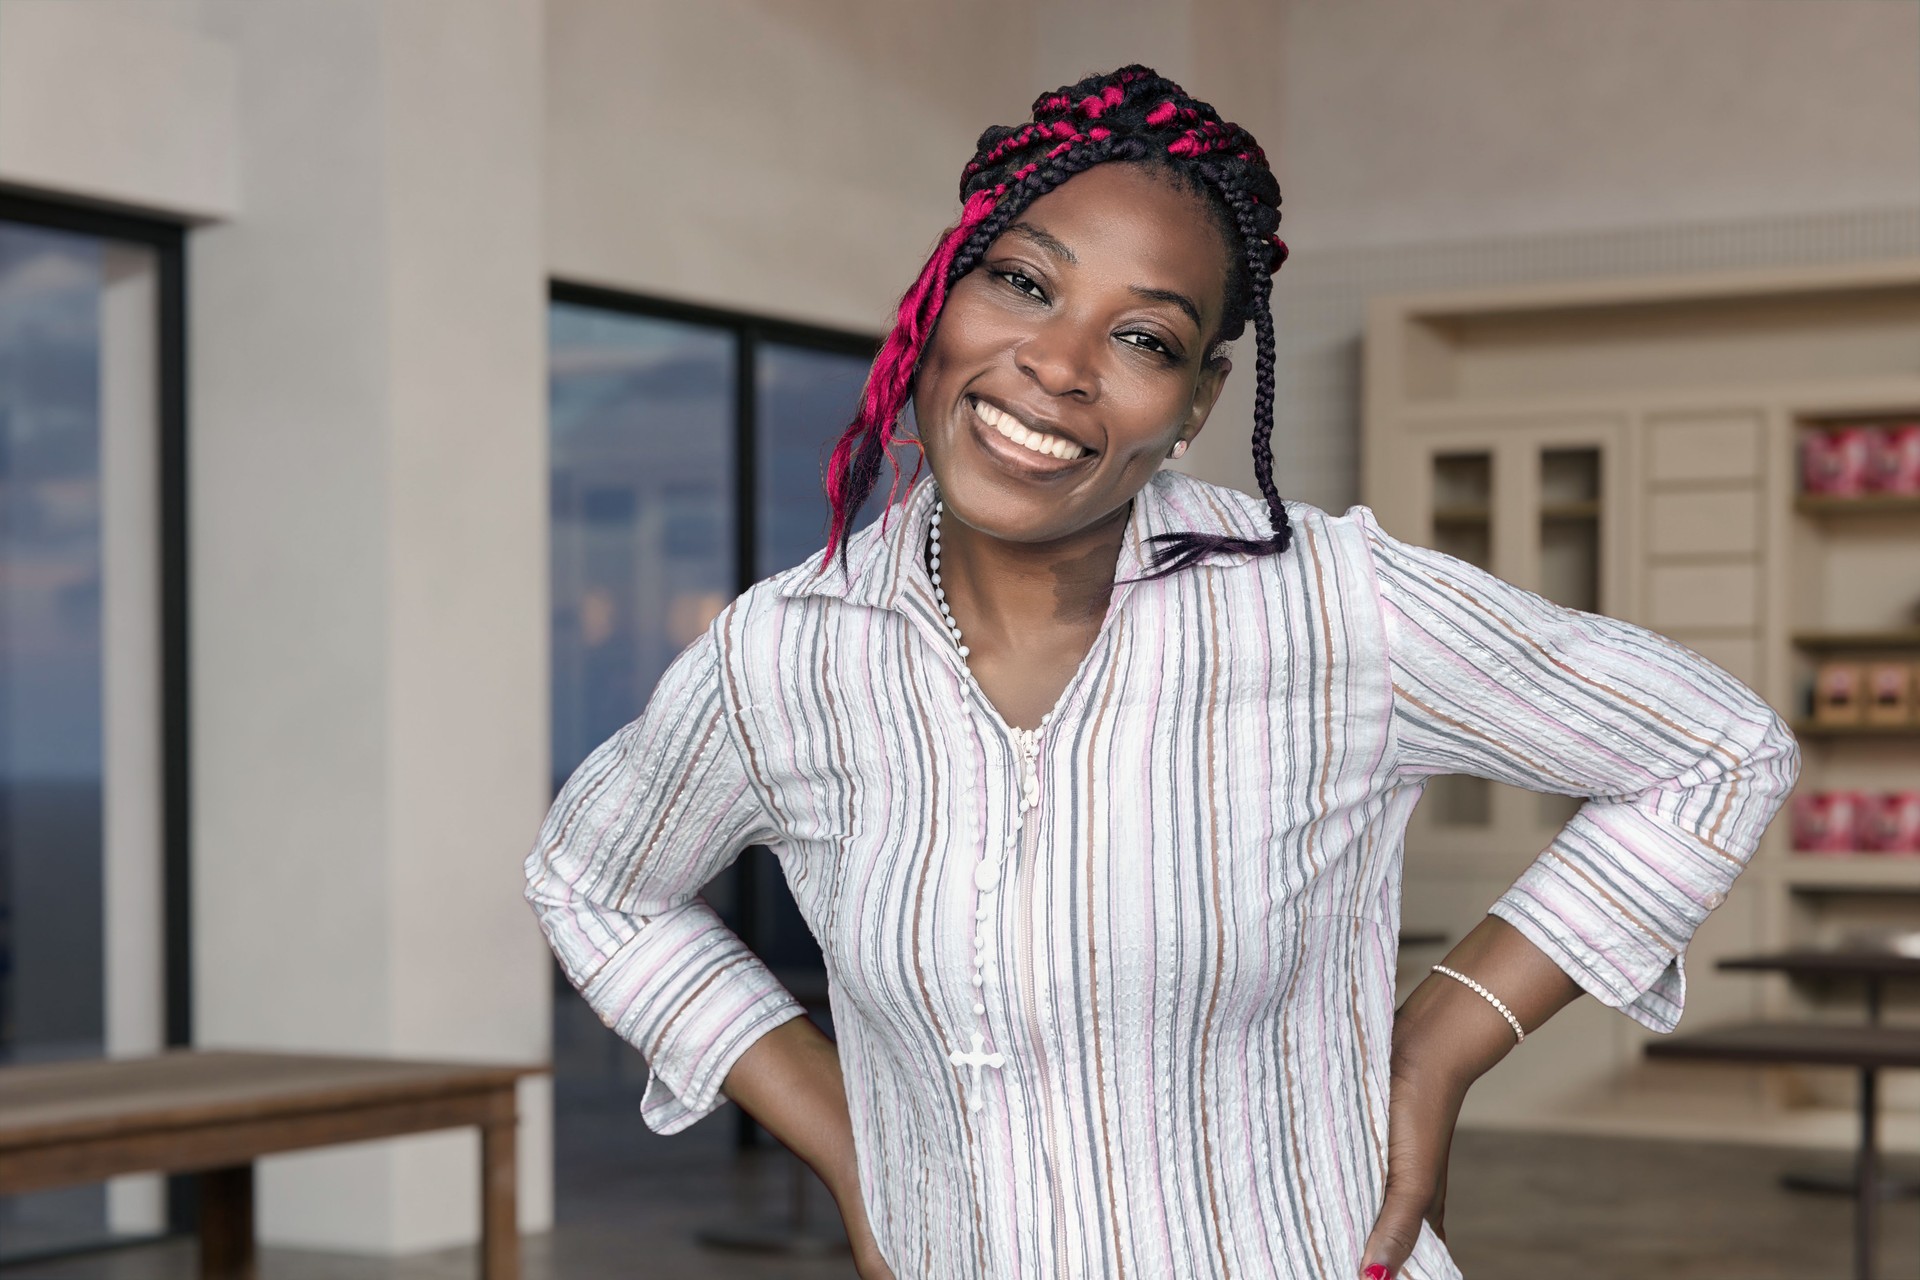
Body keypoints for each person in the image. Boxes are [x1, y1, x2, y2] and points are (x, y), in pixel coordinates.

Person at [524, 66, 1800, 1280]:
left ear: (1196, 402)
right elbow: (593, 881)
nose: (1060, 364)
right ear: (939, 295)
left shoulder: (1331, 607)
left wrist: (1439, 1046)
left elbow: (1714, 748)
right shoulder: (788, 652)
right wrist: (851, 1144)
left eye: (1142, 336)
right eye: (1023, 281)